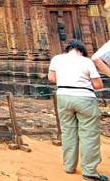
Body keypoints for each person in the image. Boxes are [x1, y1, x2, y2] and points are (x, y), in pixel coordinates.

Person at [48, 39, 106, 181]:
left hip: (63, 96)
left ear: (69, 49)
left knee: (68, 132)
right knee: (89, 134)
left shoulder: (57, 59)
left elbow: (51, 78)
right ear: (81, 51)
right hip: (84, 98)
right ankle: (89, 171)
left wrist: (67, 81)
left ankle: (69, 167)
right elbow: (98, 85)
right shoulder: (86, 61)